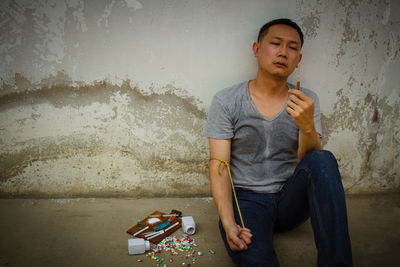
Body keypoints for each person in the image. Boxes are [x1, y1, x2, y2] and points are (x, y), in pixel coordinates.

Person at [203, 18, 353, 266]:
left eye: (292, 48)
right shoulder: (227, 100)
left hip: (289, 200)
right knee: (256, 259)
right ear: (257, 49)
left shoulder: (306, 100)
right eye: (275, 43)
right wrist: (229, 223)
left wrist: (306, 125)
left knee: (324, 159)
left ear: (299, 59)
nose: (283, 52)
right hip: (247, 202)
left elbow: (312, 163)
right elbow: (219, 166)